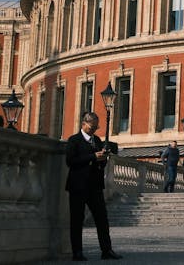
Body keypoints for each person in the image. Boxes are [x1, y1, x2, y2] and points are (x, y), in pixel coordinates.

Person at [65, 111, 121, 261]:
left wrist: (103, 157)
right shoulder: (74, 140)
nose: (94, 130)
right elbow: (70, 161)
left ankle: (107, 250)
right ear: (84, 124)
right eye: (92, 128)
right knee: (77, 219)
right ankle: (77, 252)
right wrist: (92, 156)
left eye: (96, 127)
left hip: (95, 185)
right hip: (78, 184)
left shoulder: (97, 140)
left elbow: (100, 163)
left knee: (102, 218)